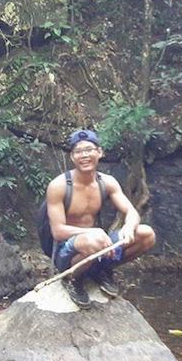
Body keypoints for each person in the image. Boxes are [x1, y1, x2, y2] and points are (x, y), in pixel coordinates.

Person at [46, 129, 156, 308]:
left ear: (100, 152)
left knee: (146, 234)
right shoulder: (59, 186)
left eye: (89, 150)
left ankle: (101, 270)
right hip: (68, 252)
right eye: (79, 152)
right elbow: (58, 231)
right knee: (93, 239)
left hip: (97, 244)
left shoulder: (107, 182)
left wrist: (128, 226)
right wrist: (92, 232)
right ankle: (73, 279)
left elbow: (132, 212)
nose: (85, 155)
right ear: (72, 157)